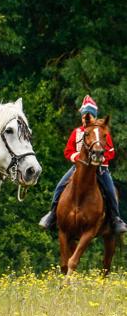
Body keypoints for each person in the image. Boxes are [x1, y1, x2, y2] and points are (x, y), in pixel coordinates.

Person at [38, 95, 127, 234]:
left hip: (100, 168)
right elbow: (68, 151)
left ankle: (115, 219)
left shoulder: (101, 130)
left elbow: (110, 151)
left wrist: (101, 159)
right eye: (84, 115)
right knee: (60, 186)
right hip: (78, 167)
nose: (86, 118)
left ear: (94, 117)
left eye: (89, 115)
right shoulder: (77, 132)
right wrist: (77, 158)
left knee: (110, 190)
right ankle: (52, 215)